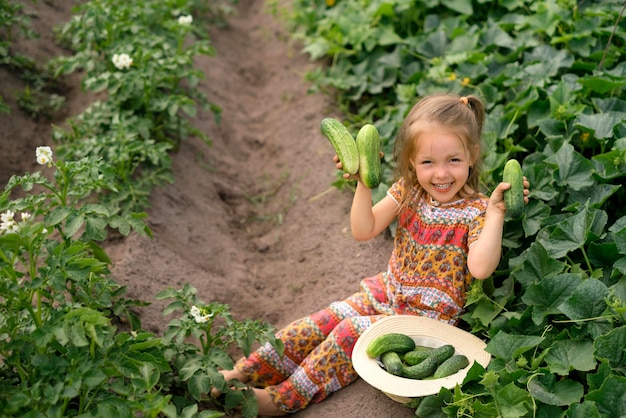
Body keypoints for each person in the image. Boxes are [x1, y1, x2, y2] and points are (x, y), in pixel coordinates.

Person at [212, 93, 530, 416]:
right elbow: (364, 229)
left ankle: (280, 399)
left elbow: (480, 267)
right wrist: (363, 183)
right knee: (322, 321)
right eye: (428, 163)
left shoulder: (476, 211)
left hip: (424, 321)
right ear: (411, 161)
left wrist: (496, 215)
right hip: (386, 292)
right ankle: (247, 371)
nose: (441, 174)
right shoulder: (408, 191)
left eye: (453, 160)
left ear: (472, 154)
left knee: (349, 334)